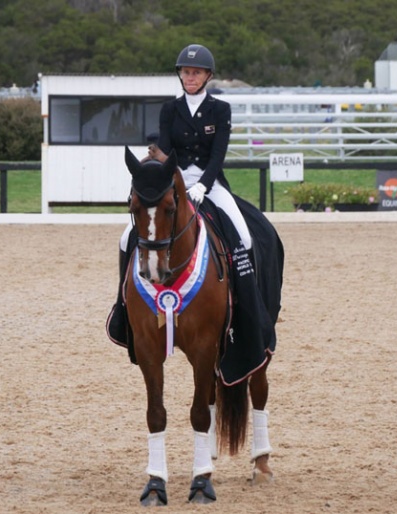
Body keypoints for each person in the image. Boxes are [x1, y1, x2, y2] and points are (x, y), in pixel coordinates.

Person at [107, 44, 276, 370]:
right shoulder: (170, 109)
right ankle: (123, 310)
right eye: (186, 71)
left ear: (207, 76)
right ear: (180, 75)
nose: (190, 76)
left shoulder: (220, 110)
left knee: (244, 234)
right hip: (176, 184)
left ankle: (244, 306)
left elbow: (218, 155)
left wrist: (202, 186)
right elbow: (168, 152)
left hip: (210, 184)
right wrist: (174, 184)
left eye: (196, 72)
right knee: (128, 236)